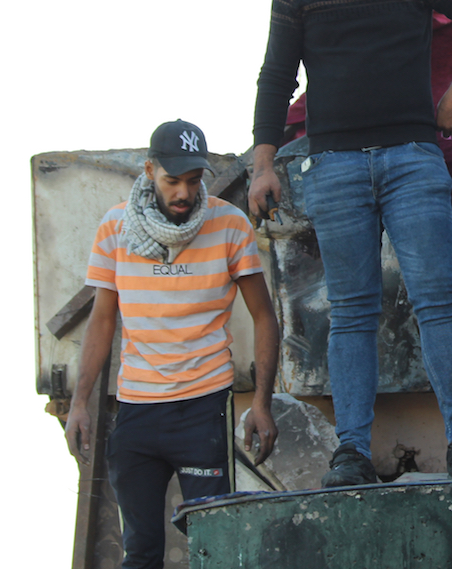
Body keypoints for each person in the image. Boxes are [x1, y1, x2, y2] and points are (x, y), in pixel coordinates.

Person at [250, 0, 452, 486]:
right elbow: (276, 76)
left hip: (412, 157)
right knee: (351, 311)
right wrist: (263, 164)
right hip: (333, 165)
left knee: (437, 300)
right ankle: (351, 453)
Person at [65, 120, 281, 569]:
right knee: (140, 552)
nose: (184, 192)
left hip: (204, 407)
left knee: (215, 549)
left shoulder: (229, 224)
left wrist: (262, 404)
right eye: (173, 180)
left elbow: (264, 316)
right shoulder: (114, 228)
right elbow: (102, 321)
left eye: (194, 180)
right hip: (137, 411)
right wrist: (79, 402)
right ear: (149, 170)